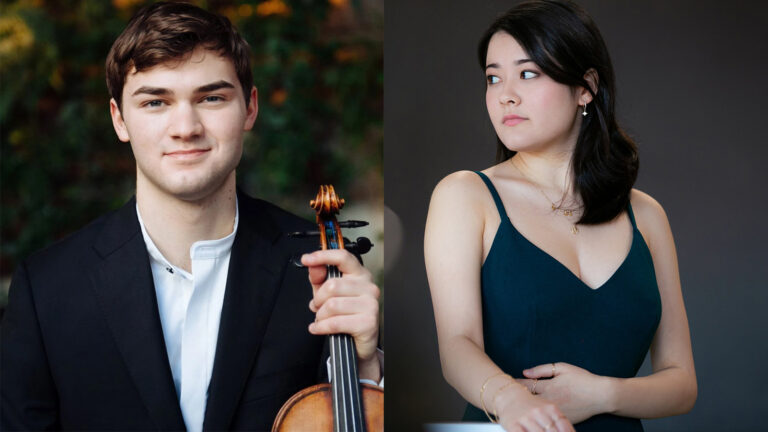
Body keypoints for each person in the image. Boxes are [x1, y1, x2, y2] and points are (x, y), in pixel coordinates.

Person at [0, 2, 381, 431]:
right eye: (156, 103)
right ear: (119, 119)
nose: (186, 126)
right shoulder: (47, 288)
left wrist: (366, 364)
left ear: (250, 109)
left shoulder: (321, 267)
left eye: (212, 97)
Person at [424, 1, 696, 431]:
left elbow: (682, 384)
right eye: (493, 78)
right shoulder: (464, 194)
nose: (505, 94)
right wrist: (511, 399)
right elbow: (457, 346)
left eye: (528, 73)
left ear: (585, 86)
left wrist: (602, 394)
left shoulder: (646, 215)